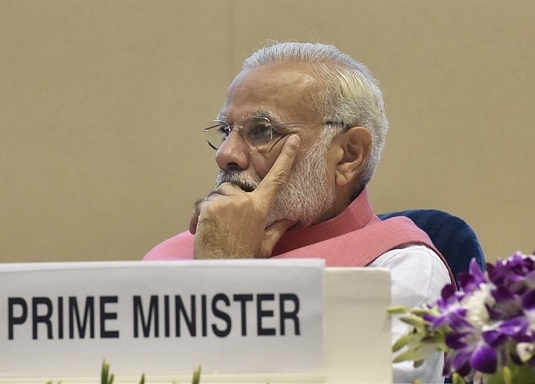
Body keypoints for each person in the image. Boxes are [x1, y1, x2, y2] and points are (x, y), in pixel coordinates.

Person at [143, 42, 453, 383]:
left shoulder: (398, 270)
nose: (226, 155)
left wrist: (224, 278)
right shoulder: (171, 255)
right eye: (225, 131)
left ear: (349, 155)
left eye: (262, 131)